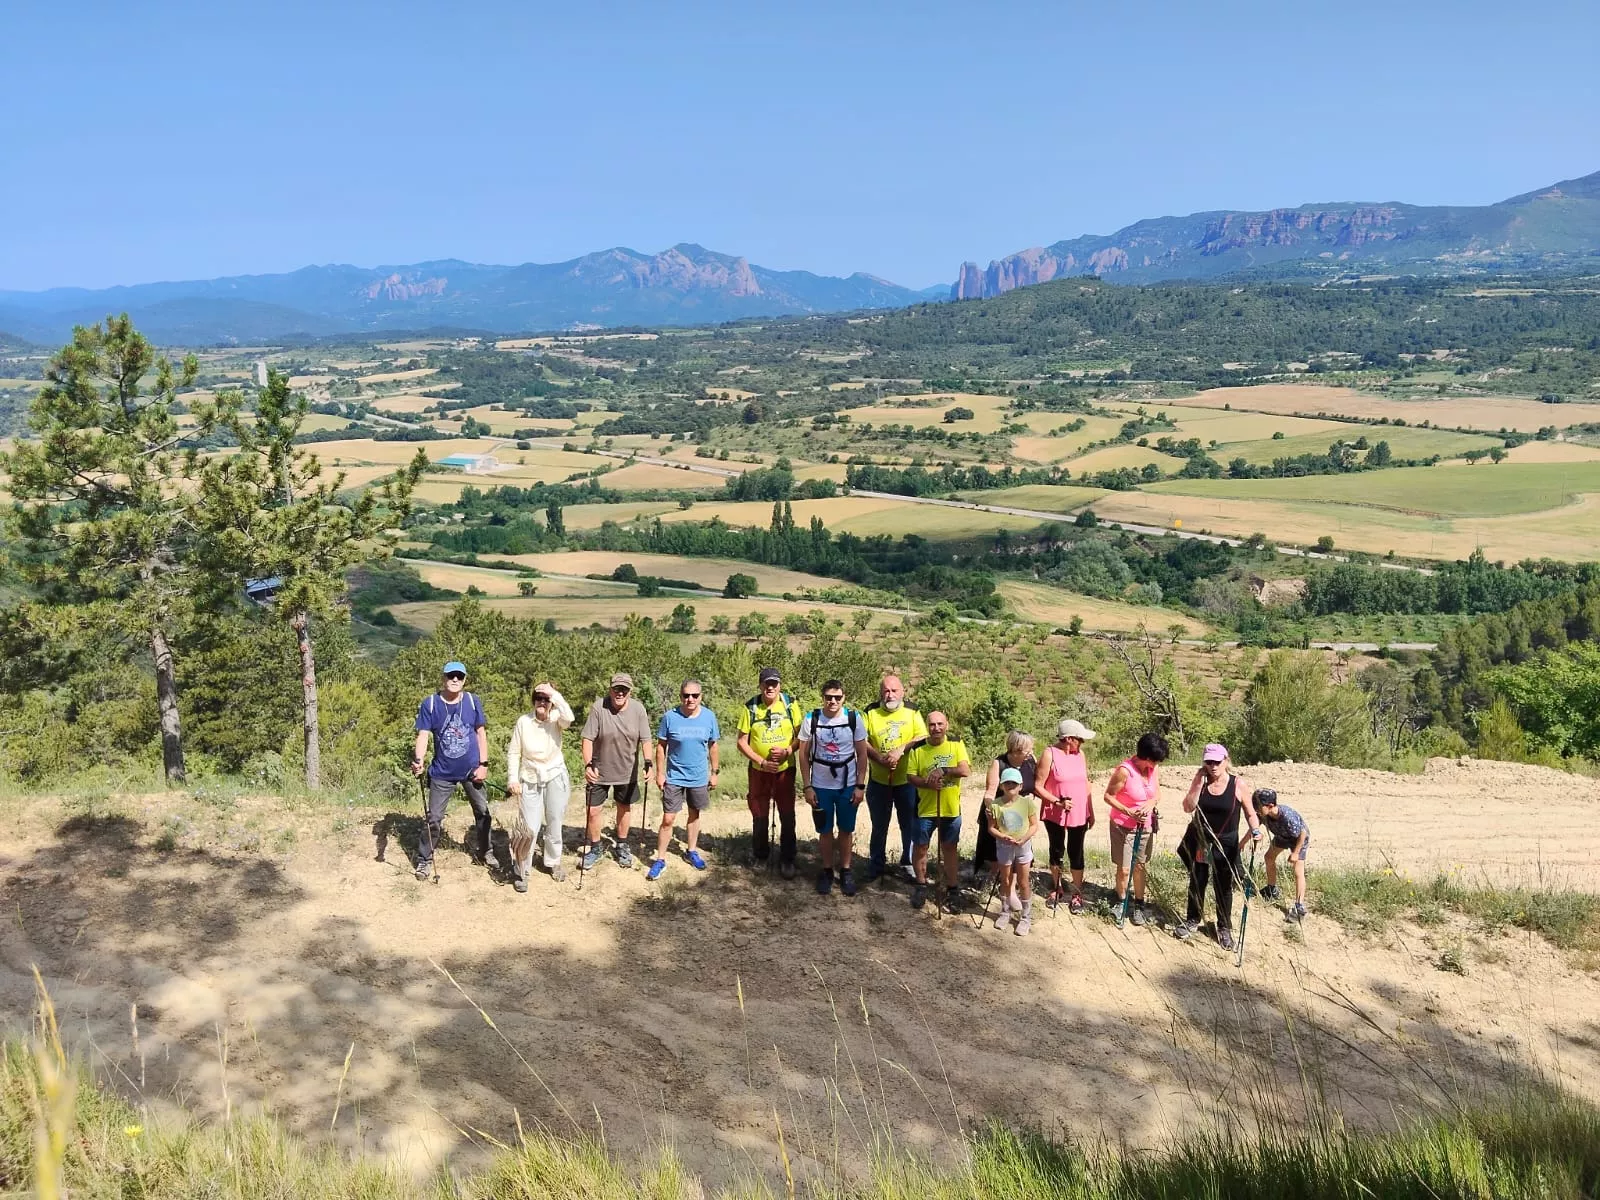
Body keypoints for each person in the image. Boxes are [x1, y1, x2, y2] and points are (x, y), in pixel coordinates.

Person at [1174, 744, 1263, 950]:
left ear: (1226, 761)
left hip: (1227, 841)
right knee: (1198, 881)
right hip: (1202, 840)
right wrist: (1197, 783)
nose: (1213, 766)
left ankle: (1224, 927)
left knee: (1223, 886)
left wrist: (1256, 830)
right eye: (1209, 762)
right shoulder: (1202, 783)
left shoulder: (1237, 784)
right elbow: (1188, 807)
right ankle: (1192, 920)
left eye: (1217, 762)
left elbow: (1250, 813)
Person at [410, 660, 492, 880]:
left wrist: (483, 765)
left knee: (483, 812)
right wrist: (418, 760)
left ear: (464, 680)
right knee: (434, 818)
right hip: (442, 772)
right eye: (450, 676)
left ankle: (485, 851)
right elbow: (423, 735)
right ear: (443, 678)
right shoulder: (430, 703)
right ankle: (425, 860)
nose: (455, 680)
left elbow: (480, 733)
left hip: (472, 770)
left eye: (459, 676)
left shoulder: (473, 701)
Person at [797, 678, 869, 896]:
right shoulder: (812, 719)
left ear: (843, 698)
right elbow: (802, 754)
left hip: (847, 784)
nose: (833, 701)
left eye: (837, 697)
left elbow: (862, 753)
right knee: (825, 830)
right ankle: (827, 870)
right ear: (823, 698)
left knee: (846, 829)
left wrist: (860, 786)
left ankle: (846, 870)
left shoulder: (854, 718)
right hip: (820, 784)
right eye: (829, 697)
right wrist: (807, 786)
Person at [580, 672, 652, 872]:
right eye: (616, 689)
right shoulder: (598, 707)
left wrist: (648, 762)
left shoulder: (638, 709)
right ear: (610, 689)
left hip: (626, 770)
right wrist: (587, 764)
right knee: (593, 810)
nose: (620, 693)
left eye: (624, 689)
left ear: (630, 691)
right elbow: (587, 739)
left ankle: (621, 844)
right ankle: (595, 847)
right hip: (598, 769)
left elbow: (646, 739)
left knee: (624, 807)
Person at [505, 682, 575, 891]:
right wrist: (512, 779)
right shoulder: (523, 722)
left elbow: (569, 718)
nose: (542, 702)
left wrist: (554, 693)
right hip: (530, 777)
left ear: (552, 702)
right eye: (538, 698)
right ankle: (522, 869)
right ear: (533, 701)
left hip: (555, 775)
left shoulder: (557, 720)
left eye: (546, 699)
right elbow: (514, 752)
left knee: (554, 821)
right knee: (529, 826)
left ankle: (553, 862)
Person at [648, 678, 720, 880]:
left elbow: (713, 746)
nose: (690, 699)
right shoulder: (670, 717)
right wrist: (660, 773)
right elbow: (661, 746)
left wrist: (715, 772)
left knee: (694, 814)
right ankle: (660, 859)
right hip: (674, 776)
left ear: (701, 697)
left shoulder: (709, 717)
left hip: (698, 777)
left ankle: (692, 851)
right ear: (680, 696)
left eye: (694, 695)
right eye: (686, 695)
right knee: (668, 818)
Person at [737, 667, 804, 877]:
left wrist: (787, 751)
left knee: (787, 814)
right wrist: (762, 761)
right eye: (766, 683)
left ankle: (788, 859)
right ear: (760, 685)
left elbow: (801, 737)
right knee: (760, 813)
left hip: (785, 769)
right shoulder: (750, 707)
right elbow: (741, 742)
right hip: (759, 771)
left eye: (774, 683)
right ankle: (761, 855)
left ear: (779, 686)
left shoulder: (790, 705)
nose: (770, 687)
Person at [862, 676, 927, 884]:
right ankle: (876, 864)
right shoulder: (870, 711)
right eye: (886, 691)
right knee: (879, 824)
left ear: (903, 692)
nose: (890, 695)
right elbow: (861, 740)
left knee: (908, 824)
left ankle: (908, 863)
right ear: (880, 692)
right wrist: (880, 759)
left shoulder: (912, 710)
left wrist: (900, 750)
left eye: (894, 690)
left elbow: (921, 737)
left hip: (907, 781)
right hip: (879, 780)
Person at [904, 711, 971, 913]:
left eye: (940, 724)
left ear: (947, 725)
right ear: (927, 726)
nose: (936, 728)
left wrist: (943, 770)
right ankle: (921, 885)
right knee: (921, 847)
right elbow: (910, 777)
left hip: (950, 809)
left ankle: (952, 889)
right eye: (932, 725)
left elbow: (965, 770)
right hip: (924, 808)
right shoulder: (918, 749)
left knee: (950, 848)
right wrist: (928, 783)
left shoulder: (956, 743)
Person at [1103, 731, 1167, 928]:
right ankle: (1121, 902)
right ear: (1146, 757)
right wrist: (1129, 812)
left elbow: (1157, 794)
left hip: (1145, 826)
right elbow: (1108, 796)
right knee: (1123, 868)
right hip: (1123, 826)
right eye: (1154, 761)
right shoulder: (1124, 771)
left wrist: (1151, 802)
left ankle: (1139, 904)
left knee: (1140, 866)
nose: (1156, 765)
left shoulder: (1152, 770)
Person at [1033, 718, 1096, 913]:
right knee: (1057, 849)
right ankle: (1057, 887)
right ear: (1068, 739)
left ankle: (1077, 893)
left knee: (1077, 852)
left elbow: (1086, 783)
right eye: (1080, 739)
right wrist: (1057, 802)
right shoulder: (1049, 754)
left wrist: (1091, 810)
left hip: (1079, 812)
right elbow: (1037, 786)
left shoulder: (1081, 755)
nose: (1082, 743)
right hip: (1055, 812)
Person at [974, 731, 1036, 889]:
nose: (1031, 752)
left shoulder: (1030, 761)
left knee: (1019, 846)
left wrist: (1030, 799)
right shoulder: (999, 763)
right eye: (1028, 749)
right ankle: (996, 878)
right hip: (1000, 811)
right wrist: (990, 808)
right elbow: (990, 791)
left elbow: (1033, 787)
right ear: (1016, 749)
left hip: (1021, 814)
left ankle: (1012, 883)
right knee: (995, 848)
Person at [987, 766, 1040, 936]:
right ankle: (1004, 912)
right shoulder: (996, 805)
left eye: (1014, 783)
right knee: (1005, 879)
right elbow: (991, 828)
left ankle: (1025, 916)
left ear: (1021, 786)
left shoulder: (1026, 803)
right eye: (1007, 783)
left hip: (1023, 846)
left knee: (1023, 881)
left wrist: (1024, 838)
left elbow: (1034, 825)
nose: (1011, 786)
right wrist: (1002, 837)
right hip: (1004, 846)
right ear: (1002, 785)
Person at [1254, 788, 1311, 922]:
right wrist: (1244, 842)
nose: (1256, 810)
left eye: (1258, 807)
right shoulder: (1264, 814)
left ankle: (1299, 906)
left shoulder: (1287, 817)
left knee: (1298, 871)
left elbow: (1303, 833)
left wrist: (1296, 853)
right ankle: (1271, 889)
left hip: (1298, 840)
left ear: (1270, 806)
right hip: (1282, 836)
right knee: (1269, 857)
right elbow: (1255, 827)